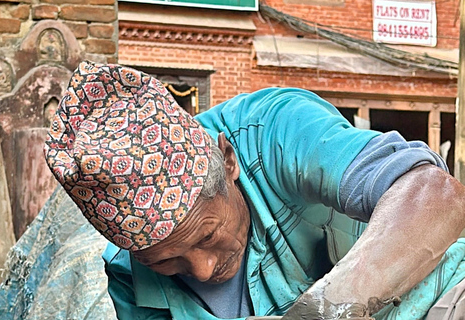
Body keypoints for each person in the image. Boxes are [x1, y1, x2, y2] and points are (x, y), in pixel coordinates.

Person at [44, 60, 465, 320]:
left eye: (207, 236)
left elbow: (435, 194)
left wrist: (321, 312)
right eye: (168, 261)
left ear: (228, 162)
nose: (204, 270)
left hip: (436, 296)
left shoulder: (276, 130)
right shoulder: (128, 275)